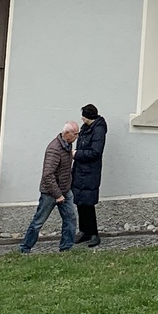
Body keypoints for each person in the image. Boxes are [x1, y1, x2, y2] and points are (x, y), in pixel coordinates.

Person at [18, 120, 79, 254]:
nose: (77, 136)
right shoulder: (54, 149)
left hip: (65, 190)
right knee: (38, 221)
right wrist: (58, 195)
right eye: (75, 134)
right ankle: (25, 248)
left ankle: (66, 247)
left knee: (70, 219)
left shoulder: (67, 145)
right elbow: (48, 174)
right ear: (66, 133)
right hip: (50, 193)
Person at [71, 103, 107, 247]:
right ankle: (84, 231)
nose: (82, 118)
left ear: (89, 117)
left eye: (83, 116)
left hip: (90, 172)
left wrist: (76, 154)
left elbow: (95, 152)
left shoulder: (98, 130)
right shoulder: (86, 128)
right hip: (80, 171)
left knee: (88, 204)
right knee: (80, 202)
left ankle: (93, 234)